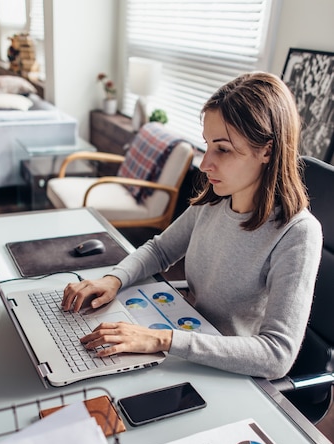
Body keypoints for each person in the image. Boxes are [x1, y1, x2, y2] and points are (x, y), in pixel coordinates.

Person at [62, 72, 323, 380]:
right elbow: (160, 250)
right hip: (186, 339)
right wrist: (113, 280)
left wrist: (162, 339)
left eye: (223, 149)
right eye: (208, 145)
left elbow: (276, 355)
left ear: (267, 150)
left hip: (229, 372)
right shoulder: (215, 200)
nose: (205, 163)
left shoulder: (298, 234)